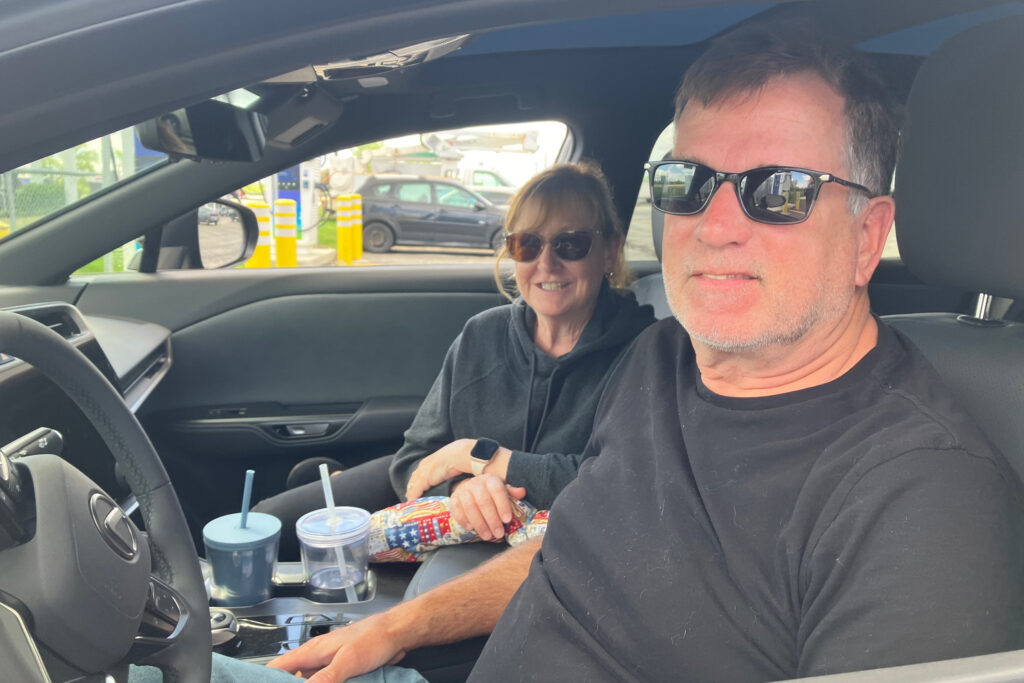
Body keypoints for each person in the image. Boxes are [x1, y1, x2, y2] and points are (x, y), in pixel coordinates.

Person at [266, 21, 1024, 683]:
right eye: (688, 182)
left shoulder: (921, 501)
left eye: (779, 189)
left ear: (866, 234)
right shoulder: (660, 360)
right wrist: (395, 629)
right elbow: (573, 544)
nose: (715, 224)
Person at [253, 162, 655, 558]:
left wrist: (479, 458)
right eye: (527, 244)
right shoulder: (483, 335)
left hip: (551, 549)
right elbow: (414, 459)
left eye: (571, 244)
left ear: (609, 251)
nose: (546, 263)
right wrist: (462, 490)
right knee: (266, 525)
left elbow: (617, 484)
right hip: (448, 521)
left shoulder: (644, 351)